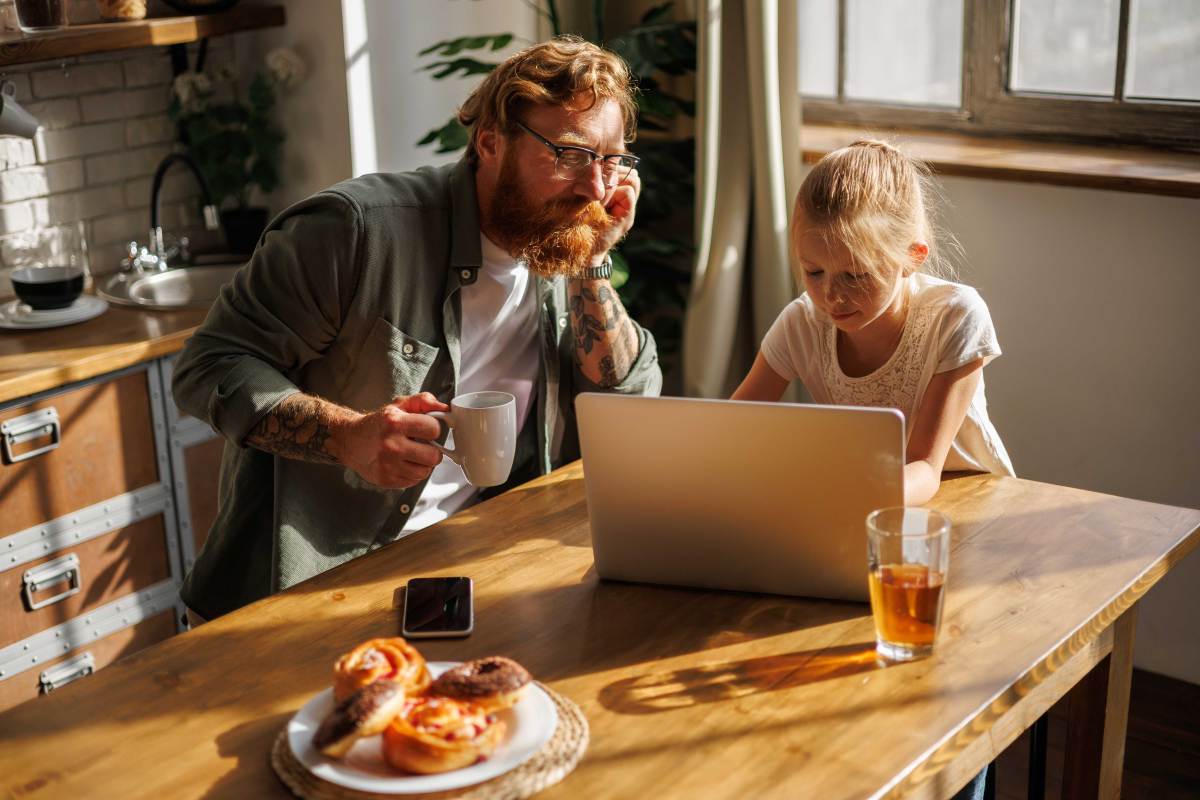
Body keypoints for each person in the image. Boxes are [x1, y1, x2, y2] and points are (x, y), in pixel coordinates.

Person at [172, 36, 662, 621]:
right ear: (489, 143)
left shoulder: (561, 242)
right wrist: (347, 437)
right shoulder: (356, 231)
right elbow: (207, 366)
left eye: (613, 161)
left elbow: (626, 401)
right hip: (313, 587)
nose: (597, 188)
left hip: (478, 569)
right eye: (572, 155)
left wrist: (593, 258)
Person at [732, 139, 1014, 506]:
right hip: (867, 498)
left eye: (855, 275)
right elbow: (732, 431)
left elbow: (925, 468)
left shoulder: (954, 317)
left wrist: (835, 496)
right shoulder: (803, 323)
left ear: (912, 257)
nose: (832, 295)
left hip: (969, 499)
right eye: (813, 271)